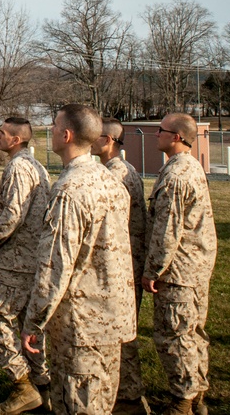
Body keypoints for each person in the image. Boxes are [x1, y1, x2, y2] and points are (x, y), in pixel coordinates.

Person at [22, 104, 135, 414]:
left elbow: (55, 265)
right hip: (111, 317)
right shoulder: (110, 180)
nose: (51, 131)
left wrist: (34, 320)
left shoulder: (70, 190)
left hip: (81, 324)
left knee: (80, 405)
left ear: (67, 134)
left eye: (55, 126)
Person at [143, 113, 216, 415]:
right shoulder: (189, 166)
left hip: (179, 270)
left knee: (175, 335)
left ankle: (182, 401)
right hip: (196, 266)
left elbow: (167, 230)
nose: (155, 134)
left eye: (160, 130)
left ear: (176, 137)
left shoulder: (176, 175)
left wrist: (153, 271)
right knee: (193, 332)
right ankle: (196, 395)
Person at [0, 117, 52, 414]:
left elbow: (12, 216)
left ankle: (21, 385)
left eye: (3, 134)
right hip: (34, 258)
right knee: (29, 324)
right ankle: (44, 387)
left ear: (15, 140)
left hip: (17, 260)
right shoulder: (37, 166)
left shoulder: (18, 167)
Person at [91, 117, 150, 415]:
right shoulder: (117, 169)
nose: (90, 140)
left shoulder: (116, 173)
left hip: (123, 265)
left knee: (120, 336)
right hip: (125, 262)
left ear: (109, 140)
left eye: (96, 135)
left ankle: (127, 398)